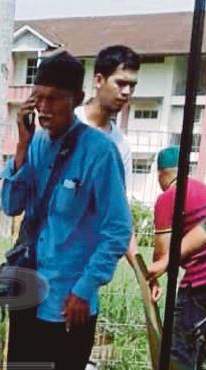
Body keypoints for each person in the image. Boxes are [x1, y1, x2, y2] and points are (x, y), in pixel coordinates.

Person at [0, 51, 132, 370]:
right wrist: (20, 147)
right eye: (39, 97)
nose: (45, 107)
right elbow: (12, 204)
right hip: (26, 279)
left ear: (76, 98)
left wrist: (86, 286)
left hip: (69, 288)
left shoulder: (99, 152)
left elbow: (116, 230)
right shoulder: (36, 142)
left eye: (55, 98)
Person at [148, 146, 206, 370]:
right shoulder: (205, 189)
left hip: (203, 277)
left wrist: (153, 279)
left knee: (181, 345)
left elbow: (163, 252)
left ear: (162, 174)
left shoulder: (168, 197)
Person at [75, 45, 141, 263]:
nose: (127, 92)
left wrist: (141, 272)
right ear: (98, 80)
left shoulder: (120, 145)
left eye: (132, 86)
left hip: (85, 264)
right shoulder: (65, 124)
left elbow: (119, 211)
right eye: (121, 83)